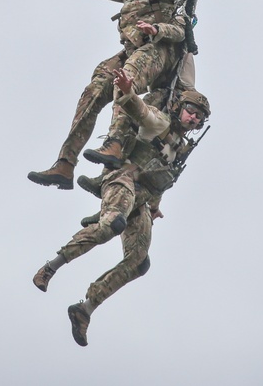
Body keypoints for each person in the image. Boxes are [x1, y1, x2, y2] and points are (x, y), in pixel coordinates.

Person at [31, 68, 211, 346]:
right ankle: (51, 267)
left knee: (139, 262)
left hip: (144, 198)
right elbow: (143, 113)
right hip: (122, 180)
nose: (193, 117)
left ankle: (85, 309)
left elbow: (162, 177)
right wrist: (127, 92)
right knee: (109, 228)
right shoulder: (162, 123)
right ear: (179, 107)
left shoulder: (181, 147)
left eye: (199, 117)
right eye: (190, 110)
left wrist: (154, 206)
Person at [27, 0, 211, 190]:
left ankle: (114, 143)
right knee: (96, 87)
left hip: (162, 49)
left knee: (125, 79)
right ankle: (65, 163)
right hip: (135, 49)